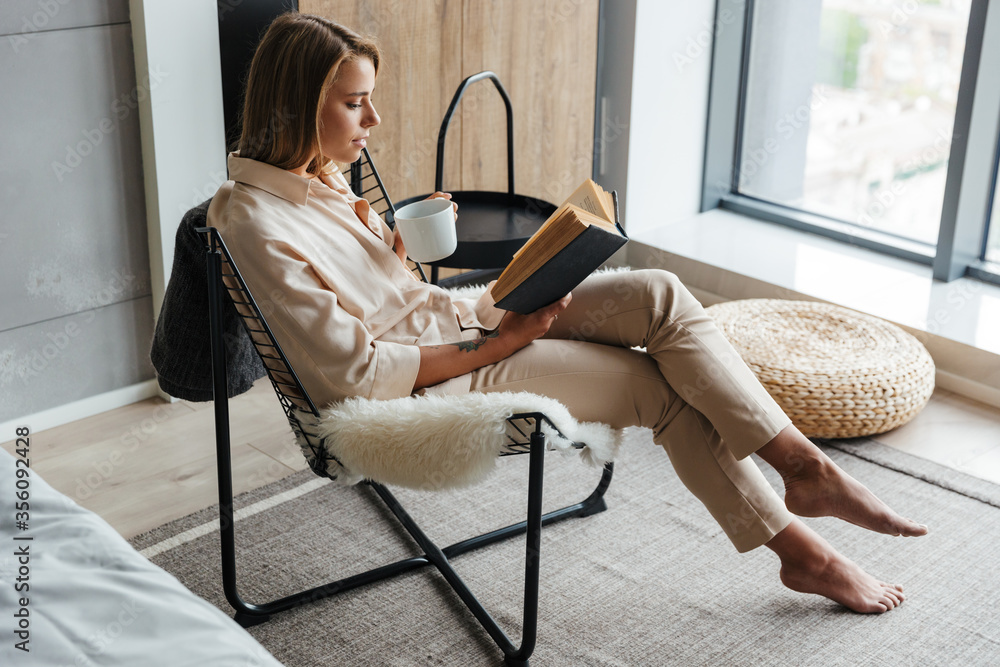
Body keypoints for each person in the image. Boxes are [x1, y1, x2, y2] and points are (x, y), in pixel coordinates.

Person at [208, 11, 927, 614]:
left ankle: (802, 465)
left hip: (456, 322)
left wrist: (391, 249)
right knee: (661, 390)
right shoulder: (256, 221)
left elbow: (370, 294)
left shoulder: (317, 175)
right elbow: (357, 375)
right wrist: (506, 338)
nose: (376, 118)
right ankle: (806, 553)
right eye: (355, 101)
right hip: (438, 376)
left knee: (659, 294)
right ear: (298, 106)